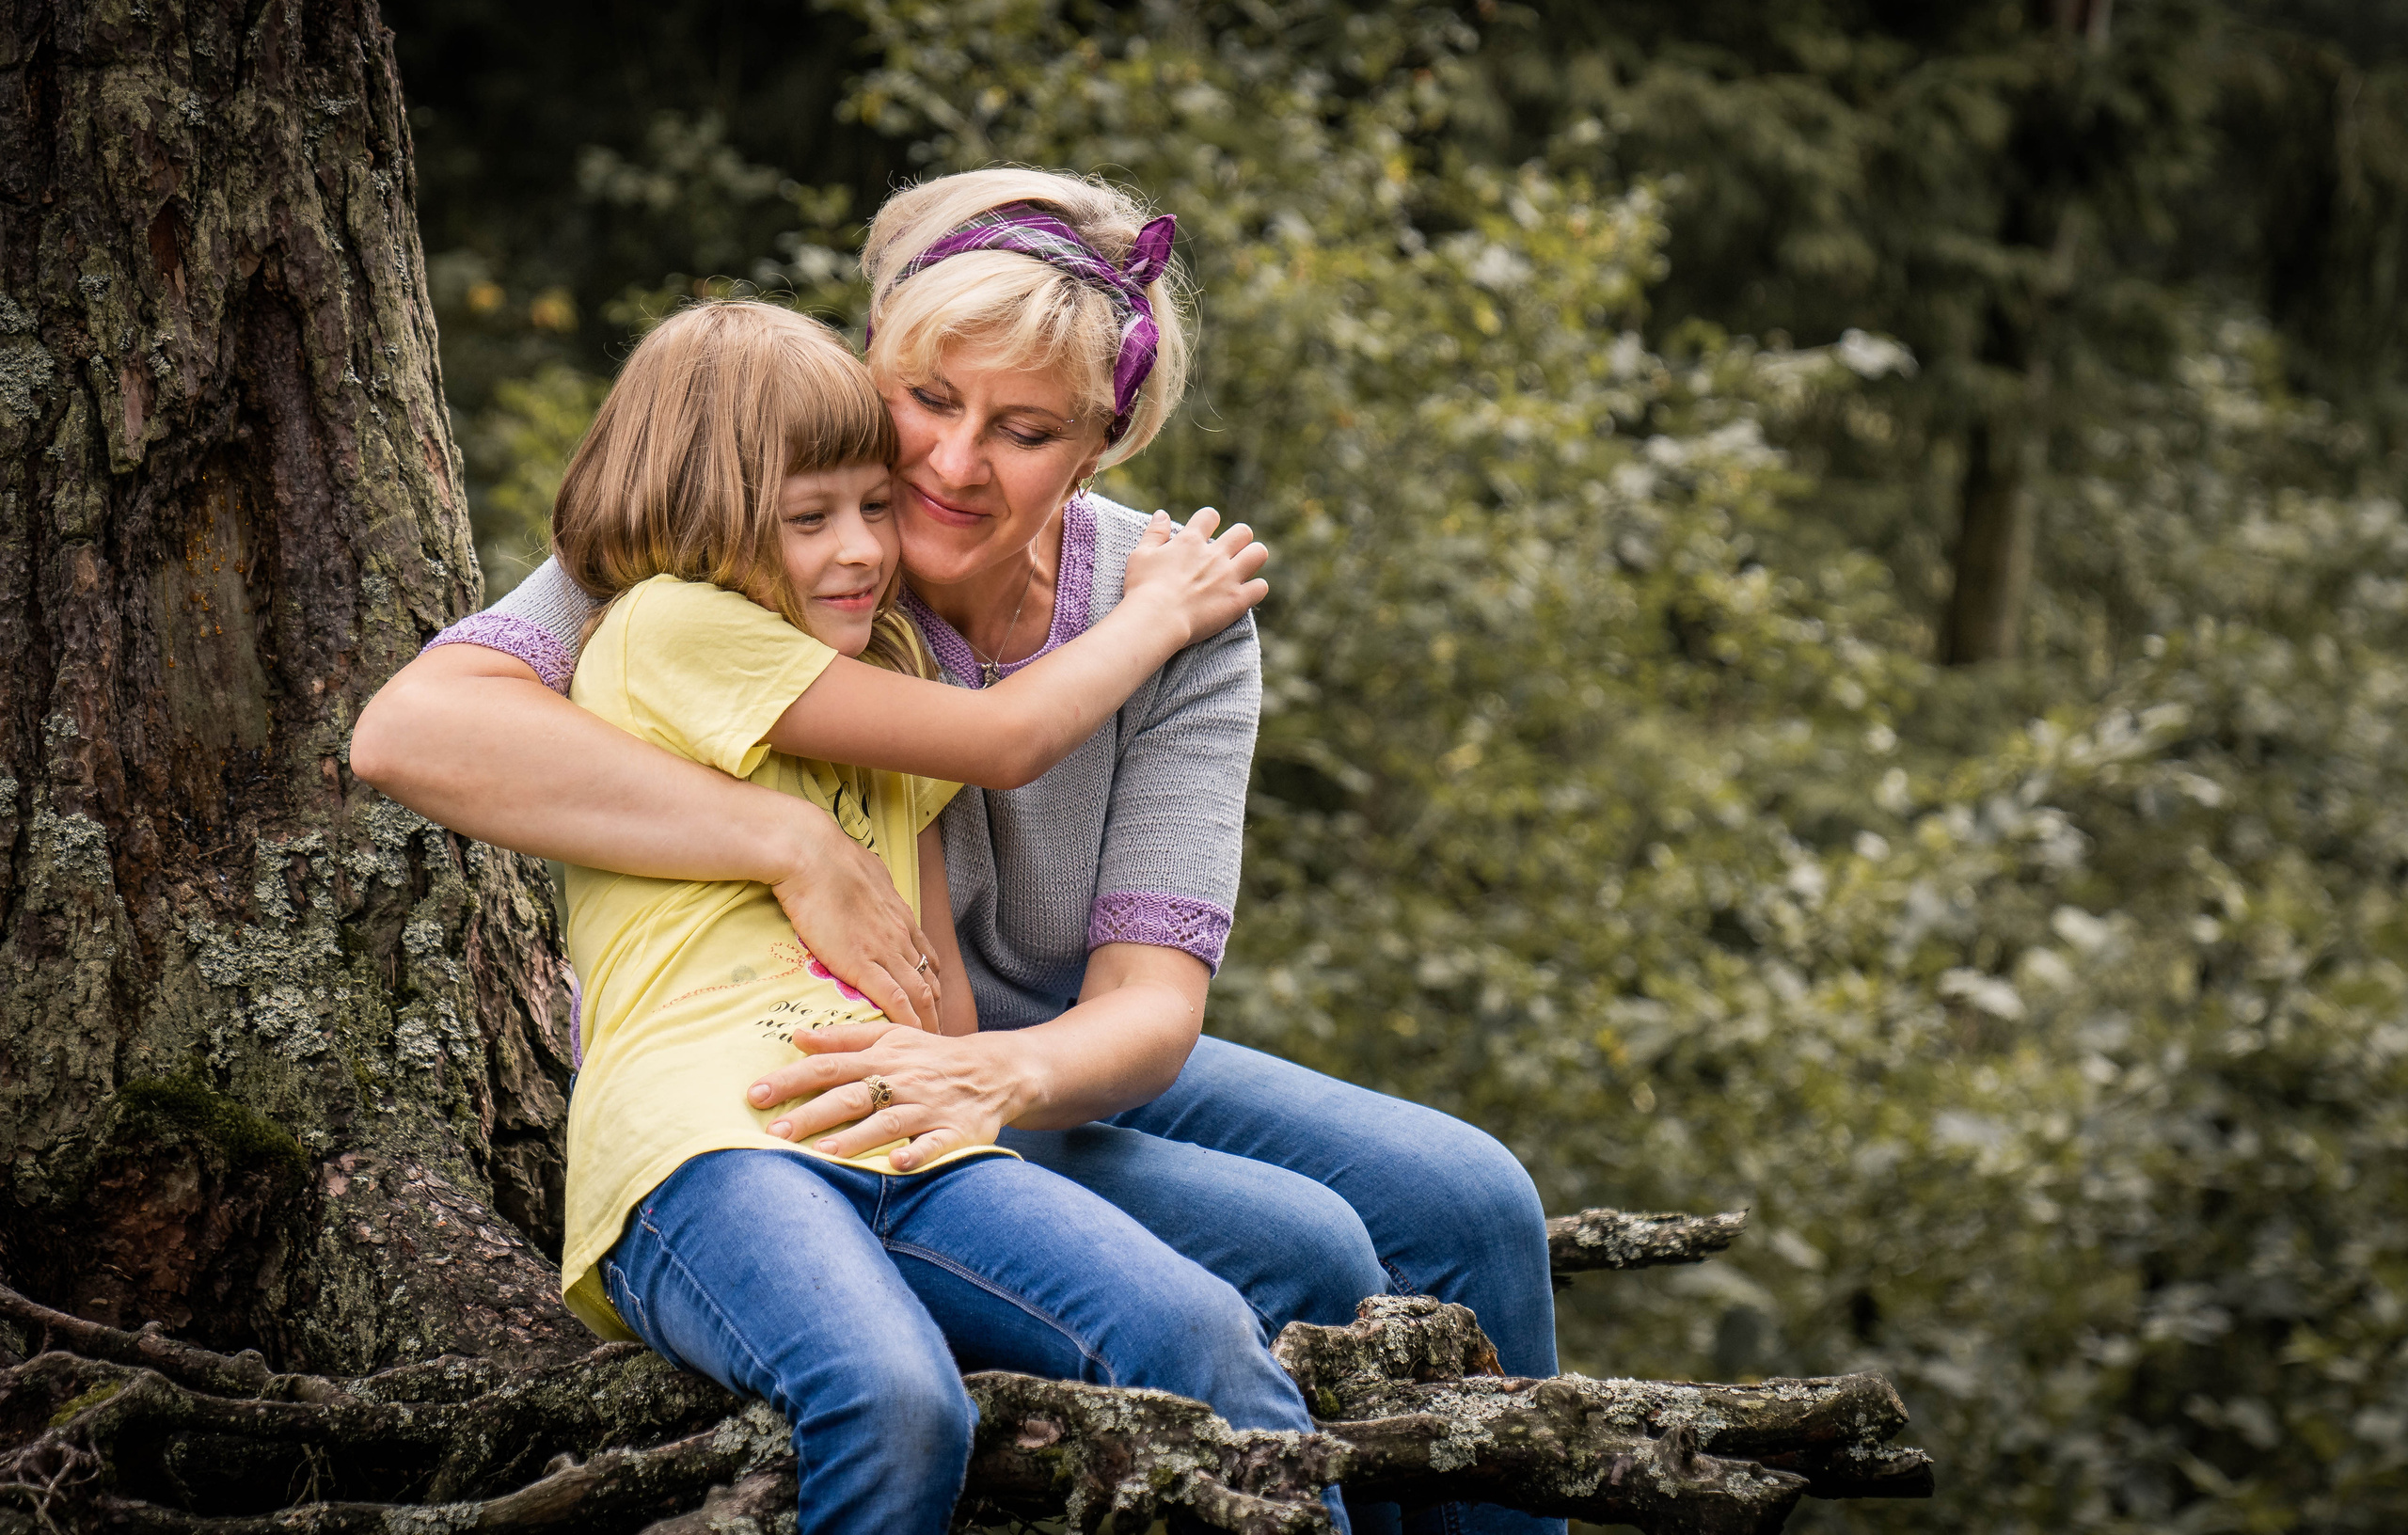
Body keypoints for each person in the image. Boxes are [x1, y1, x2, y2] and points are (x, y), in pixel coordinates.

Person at [353, 169, 1561, 1535]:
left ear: (1100, 443)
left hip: (1024, 1040)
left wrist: (992, 1070)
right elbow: (416, 732)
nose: (949, 463)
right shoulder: (759, 512)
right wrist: (782, 834)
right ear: (878, 359)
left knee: (1467, 1201)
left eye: (1027, 429)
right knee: (1307, 1246)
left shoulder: (1165, 608)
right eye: (926, 400)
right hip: (785, 1044)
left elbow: (1147, 1007)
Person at [533, 296, 1333, 1534]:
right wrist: (1158, 613)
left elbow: (939, 997)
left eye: (871, 507)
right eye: (809, 521)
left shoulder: (882, 680)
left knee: (1200, 1333)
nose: (861, 550)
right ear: (706, 519)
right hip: (707, 1152)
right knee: (895, 1399)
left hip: (907, 1135)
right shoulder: (671, 630)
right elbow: (1006, 737)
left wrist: (960, 1081)